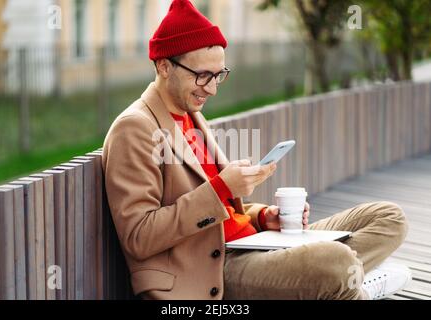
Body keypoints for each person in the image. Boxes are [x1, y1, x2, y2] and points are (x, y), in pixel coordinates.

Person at [101, 0, 410, 300]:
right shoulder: (134, 128)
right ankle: (357, 286)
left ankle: (346, 285)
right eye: (202, 76)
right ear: (165, 66)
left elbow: (223, 214)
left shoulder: (190, 115)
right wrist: (221, 187)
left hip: (252, 244)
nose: (211, 88)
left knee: (388, 218)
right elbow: (139, 237)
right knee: (336, 261)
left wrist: (263, 217)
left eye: (218, 74)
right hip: (212, 270)